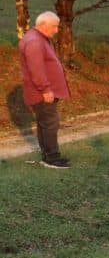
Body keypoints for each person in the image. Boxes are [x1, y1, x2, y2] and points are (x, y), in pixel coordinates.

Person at [18, 11, 71, 169]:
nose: (56, 30)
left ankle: (49, 155)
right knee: (50, 123)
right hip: (42, 93)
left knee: (45, 124)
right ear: (43, 25)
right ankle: (52, 159)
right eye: (54, 26)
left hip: (44, 91)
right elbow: (36, 70)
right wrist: (46, 89)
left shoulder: (39, 38)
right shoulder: (34, 41)